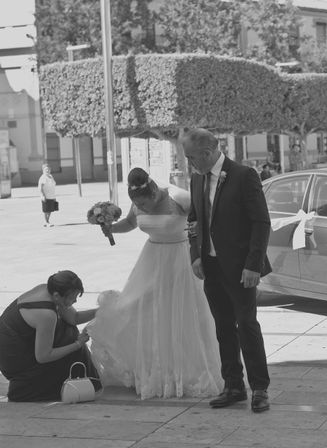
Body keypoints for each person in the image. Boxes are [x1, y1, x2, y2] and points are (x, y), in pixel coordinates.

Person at [87, 168, 222, 399]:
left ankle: (187, 373)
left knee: (183, 316)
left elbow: (204, 219)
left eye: (145, 204)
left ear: (153, 192)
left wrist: (202, 252)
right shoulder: (137, 202)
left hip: (180, 259)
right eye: (139, 205)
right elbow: (130, 223)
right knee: (136, 310)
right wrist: (110, 228)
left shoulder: (178, 197)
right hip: (151, 260)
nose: (144, 208)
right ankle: (154, 369)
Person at [180, 128, 272, 413]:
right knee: (223, 328)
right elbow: (193, 220)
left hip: (241, 268)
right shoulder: (196, 179)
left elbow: (261, 222)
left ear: (207, 153)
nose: (189, 163)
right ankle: (233, 385)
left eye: (191, 157)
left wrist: (253, 265)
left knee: (246, 325)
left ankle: (259, 388)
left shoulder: (244, 176)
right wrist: (196, 254)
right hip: (211, 267)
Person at [0, 270, 101, 402]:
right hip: (13, 358)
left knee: (69, 330)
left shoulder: (50, 291)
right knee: (71, 340)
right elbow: (43, 356)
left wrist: (100, 311)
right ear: (57, 296)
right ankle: (31, 386)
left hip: (19, 343)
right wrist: (77, 344)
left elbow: (74, 318)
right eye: (72, 297)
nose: (75, 301)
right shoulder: (46, 315)